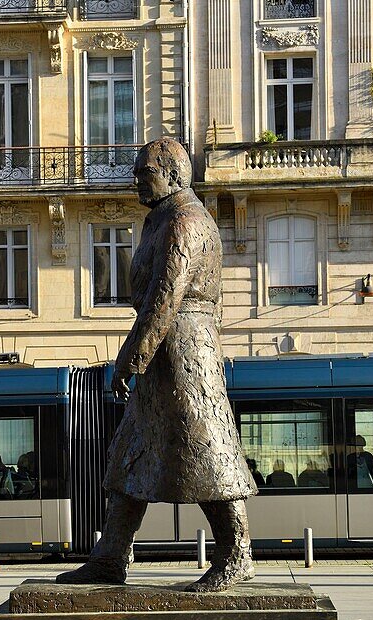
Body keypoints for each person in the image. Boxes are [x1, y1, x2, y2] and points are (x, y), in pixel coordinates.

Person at [57, 138, 258, 593]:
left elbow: (165, 298)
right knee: (130, 454)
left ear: (173, 174)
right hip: (165, 350)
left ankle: (236, 551)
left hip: (185, 348)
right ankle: (110, 556)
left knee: (207, 447)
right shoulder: (160, 220)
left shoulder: (185, 221)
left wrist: (131, 357)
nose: (136, 182)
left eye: (144, 173)